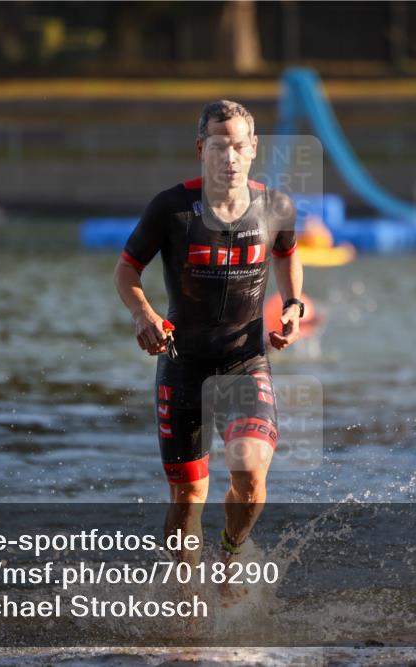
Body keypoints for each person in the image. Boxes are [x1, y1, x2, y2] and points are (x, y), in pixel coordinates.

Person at [113, 100, 304, 574]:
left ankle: (231, 555)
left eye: (240, 146)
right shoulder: (171, 208)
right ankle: (185, 598)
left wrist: (294, 303)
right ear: (202, 148)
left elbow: (287, 252)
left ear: (254, 148)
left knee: (252, 477)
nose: (230, 157)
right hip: (183, 366)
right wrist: (143, 315)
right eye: (220, 146)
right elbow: (126, 270)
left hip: (245, 362)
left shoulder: (275, 206)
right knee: (188, 496)